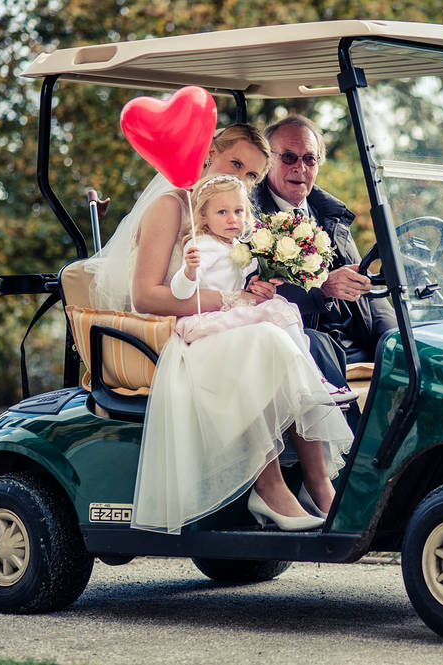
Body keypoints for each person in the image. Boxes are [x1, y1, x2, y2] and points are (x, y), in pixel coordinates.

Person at [87, 124, 350, 533]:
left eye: (252, 175)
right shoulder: (172, 206)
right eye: (236, 164)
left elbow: (234, 280)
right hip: (180, 337)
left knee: (284, 334)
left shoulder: (232, 217)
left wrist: (255, 290)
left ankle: (320, 484)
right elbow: (146, 297)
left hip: (224, 327)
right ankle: (270, 487)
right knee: (266, 340)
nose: (241, 179)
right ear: (210, 153)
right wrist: (229, 300)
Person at [169, 172, 357, 405]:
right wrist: (189, 271)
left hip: (230, 313)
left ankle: (309, 381)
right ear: (204, 216)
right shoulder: (204, 245)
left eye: (238, 211)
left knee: (280, 304)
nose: (232, 219)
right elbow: (180, 293)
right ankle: (313, 380)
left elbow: (240, 283)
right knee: (277, 309)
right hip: (205, 318)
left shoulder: (236, 245)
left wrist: (259, 284)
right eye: (222, 212)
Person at [253, 115, 397, 395]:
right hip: (301, 342)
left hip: (353, 343)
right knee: (318, 345)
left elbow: (365, 287)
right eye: (289, 157)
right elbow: (255, 293)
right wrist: (323, 289)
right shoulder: (248, 216)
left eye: (310, 159)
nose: (300, 167)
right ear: (267, 161)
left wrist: (393, 338)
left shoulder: (331, 213)